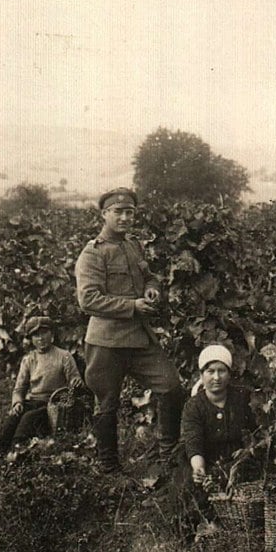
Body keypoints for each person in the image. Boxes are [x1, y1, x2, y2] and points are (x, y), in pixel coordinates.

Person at [75, 187, 184, 472]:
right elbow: (88, 300)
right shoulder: (92, 254)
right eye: (118, 212)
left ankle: (167, 456)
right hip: (106, 342)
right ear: (104, 214)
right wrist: (132, 306)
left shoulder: (133, 245)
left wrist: (151, 291)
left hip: (138, 339)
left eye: (130, 212)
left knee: (171, 387)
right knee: (106, 403)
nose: (125, 218)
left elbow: (149, 277)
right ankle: (109, 466)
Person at [176, 345, 258, 520]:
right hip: (208, 459)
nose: (216, 377)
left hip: (238, 459)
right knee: (194, 496)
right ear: (201, 375)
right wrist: (199, 468)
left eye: (222, 371)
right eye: (210, 371)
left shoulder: (242, 398)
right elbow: (193, 441)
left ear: (229, 374)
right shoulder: (194, 406)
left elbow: (256, 431)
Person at [0, 316, 84, 452]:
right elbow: (19, 388)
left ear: (52, 335)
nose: (40, 338)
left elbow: (74, 379)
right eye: (36, 335)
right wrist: (17, 403)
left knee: (27, 420)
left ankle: (18, 450)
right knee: (12, 420)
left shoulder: (64, 356)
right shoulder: (29, 359)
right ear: (31, 339)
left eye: (44, 333)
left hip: (52, 404)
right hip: (33, 401)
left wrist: (75, 382)